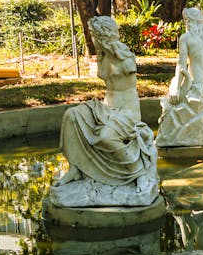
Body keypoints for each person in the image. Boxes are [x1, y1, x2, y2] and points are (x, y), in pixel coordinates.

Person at [51, 16, 158, 207]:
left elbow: (127, 86)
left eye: (93, 34)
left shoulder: (124, 57)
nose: (90, 38)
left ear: (102, 35)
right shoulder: (102, 55)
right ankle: (76, 168)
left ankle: (138, 173)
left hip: (126, 112)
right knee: (71, 116)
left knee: (105, 137)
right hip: (106, 108)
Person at [156, 7, 203, 147]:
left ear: (189, 21)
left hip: (196, 83)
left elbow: (181, 65)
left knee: (172, 88)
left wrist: (176, 89)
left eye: (186, 21)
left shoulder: (186, 38)